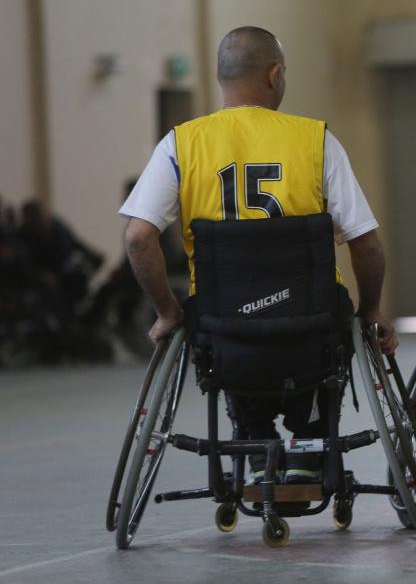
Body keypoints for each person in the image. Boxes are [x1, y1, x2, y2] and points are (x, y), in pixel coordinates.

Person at [120, 26, 397, 483]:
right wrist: (370, 311)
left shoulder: (181, 144)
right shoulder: (316, 140)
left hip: (226, 327)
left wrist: (167, 311)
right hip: (310, 326)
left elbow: (137, 238)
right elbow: (365, 244)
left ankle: (252, 437)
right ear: (275, 75)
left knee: (224, 330)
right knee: (328, 326)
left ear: (221, 77)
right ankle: (308, 448)